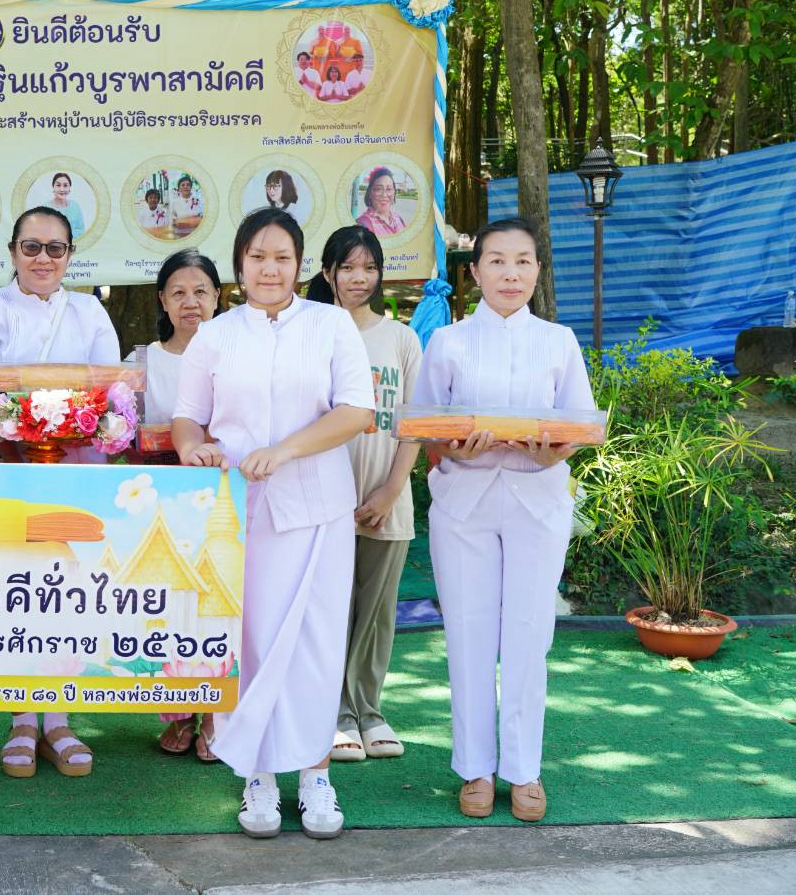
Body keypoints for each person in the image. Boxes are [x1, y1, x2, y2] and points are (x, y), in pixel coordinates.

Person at [172, 206, 374, 840]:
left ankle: (316, 775)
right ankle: (256, 778)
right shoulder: (216, 335)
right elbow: (187, 416)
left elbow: (357, 412)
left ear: (300, 265)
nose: (269, 267)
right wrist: (192, 449)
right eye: (257, 256)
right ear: (239, 265)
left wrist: (285, 451)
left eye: (281, 257)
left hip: (317, 509)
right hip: (239, 514)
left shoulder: (331, 324)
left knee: (314, 644)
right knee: (251, 642)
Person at [411, 217, 595, 824]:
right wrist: (452, 449)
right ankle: (474, 769)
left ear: (538, 271)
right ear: (475, 271)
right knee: (467, 634)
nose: (510, 273)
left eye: (522, 261)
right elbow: (428, 431)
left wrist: (554, 451)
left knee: (528, 633)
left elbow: (579, 423)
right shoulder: (449, 342)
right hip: (464, 500)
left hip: (537, 498)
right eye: (496, 261)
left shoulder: (559, 340)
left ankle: (524, 770)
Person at [0, 205, 120, 779]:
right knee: (16, 594)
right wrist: (19, 423)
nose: (43, 259)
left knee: (64, 593)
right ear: (13, 253)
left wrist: (65, 420)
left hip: (75, 474)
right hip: (5, 471)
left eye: (55, 248)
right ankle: (23, 718)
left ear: (70, 255)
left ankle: (59, 719)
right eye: (31, 247)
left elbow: (110, 395)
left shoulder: (92, 310)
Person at [305, 226, 422, 765]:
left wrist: (392, 489)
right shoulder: (311, 331)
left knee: (376, 613)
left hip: (385, 496)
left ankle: (368, 711)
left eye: (369, 268)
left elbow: (413, 424)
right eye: (347, 268)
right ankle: (331, 713)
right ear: (327, 272)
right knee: (329, 608)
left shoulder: (400, 338)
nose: (359, 278)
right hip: (322, 497)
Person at [127, 249, 223, 760]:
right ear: (162, 299)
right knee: (173, 609)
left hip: (226, 498)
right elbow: (121, 432)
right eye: (179, 292)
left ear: (218, 297)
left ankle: (215, 715)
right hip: (161, 503)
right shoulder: (142, 362)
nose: (191, 302)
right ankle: (180, 711)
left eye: (201, 291)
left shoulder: (240, 354)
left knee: (219, 604)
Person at [355, 168, 407, 236]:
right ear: (370, 193)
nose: (384, 195)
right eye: (378, 189)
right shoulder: (363, 224)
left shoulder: (398, 218)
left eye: (389, 189)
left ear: (394, 192)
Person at [47, 171, 86, 238]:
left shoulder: (75, 206)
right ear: (53, 187)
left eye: (65, 185)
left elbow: (81, 230)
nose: (62, 189)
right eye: (58, 185)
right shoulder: (45, 207)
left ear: (69, 188)